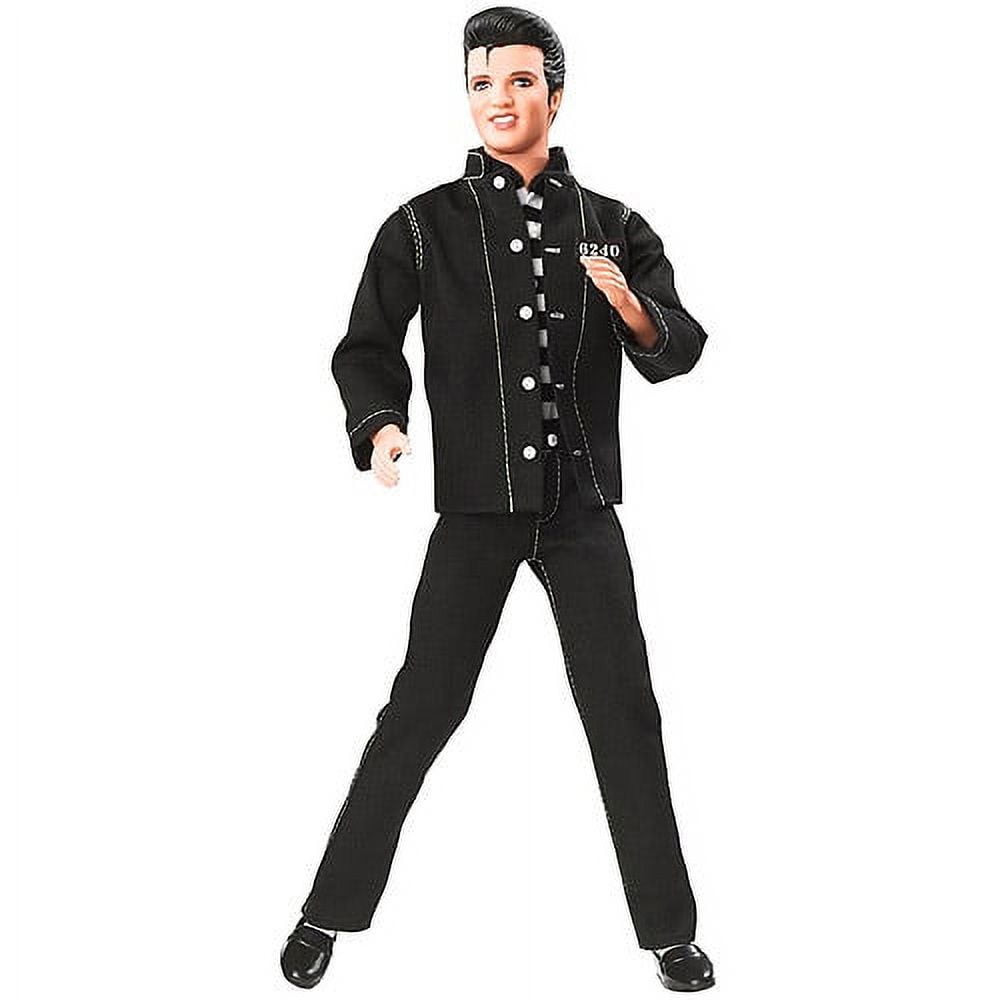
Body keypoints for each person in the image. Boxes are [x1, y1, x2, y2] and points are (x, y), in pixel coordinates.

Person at [280, 6, 714, 991]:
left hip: (581, 506)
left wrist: (628, 304)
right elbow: (366, 343)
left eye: (520, 81)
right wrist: (381, 424)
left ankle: (670, 932)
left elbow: (680, 345)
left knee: (623, 710)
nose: (499, 100)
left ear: (555, 94)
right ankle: (325, 912)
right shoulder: (423, 224)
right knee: (421, 705)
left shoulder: (614, 225)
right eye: (482, 83)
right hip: (476, 506)